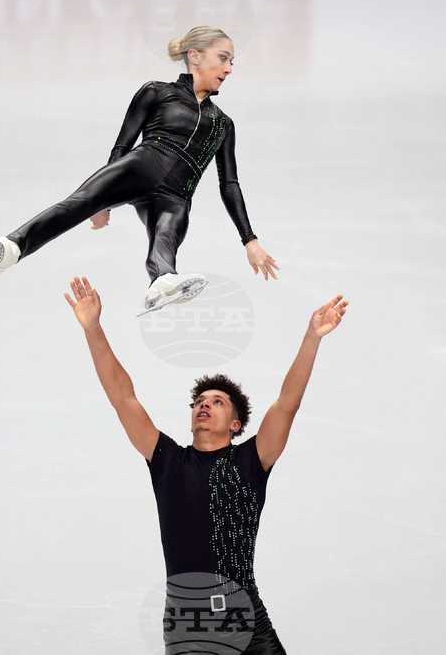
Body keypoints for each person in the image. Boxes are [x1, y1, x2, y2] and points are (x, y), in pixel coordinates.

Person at [64, 276, 348, 654]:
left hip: (246, 617)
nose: (203, 404)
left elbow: (286, 404)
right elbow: (123, 398)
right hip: (188, 623)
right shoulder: (167, 461)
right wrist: (94, 329)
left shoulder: (251, 460)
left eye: (217, 401)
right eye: (199, 400)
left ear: (235, 424)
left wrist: (312, 339)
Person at [0, 26, 279, 314]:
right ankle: (13, 246)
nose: (228, 69)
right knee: (79, 203)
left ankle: (162, 281)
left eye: (231, 63)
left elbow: (229, 184)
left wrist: (249, 239)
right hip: (142, 166)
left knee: (167, 235)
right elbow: (122, 146)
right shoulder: (156, 92)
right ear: (194, 55)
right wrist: (104, 200)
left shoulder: (223, 124)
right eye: (223, 59)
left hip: (177, 194)